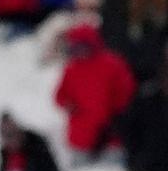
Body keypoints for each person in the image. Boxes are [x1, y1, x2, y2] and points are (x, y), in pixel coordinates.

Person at [54, 24, 136, 156]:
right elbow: (60, 95)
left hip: (110, 138)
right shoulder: (71, 69)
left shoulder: (112, 64)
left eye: (81, 46)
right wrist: (67, 104)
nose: (78, 51)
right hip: (80, 139)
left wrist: (116, 117)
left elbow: (127, 91)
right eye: (74, 47)